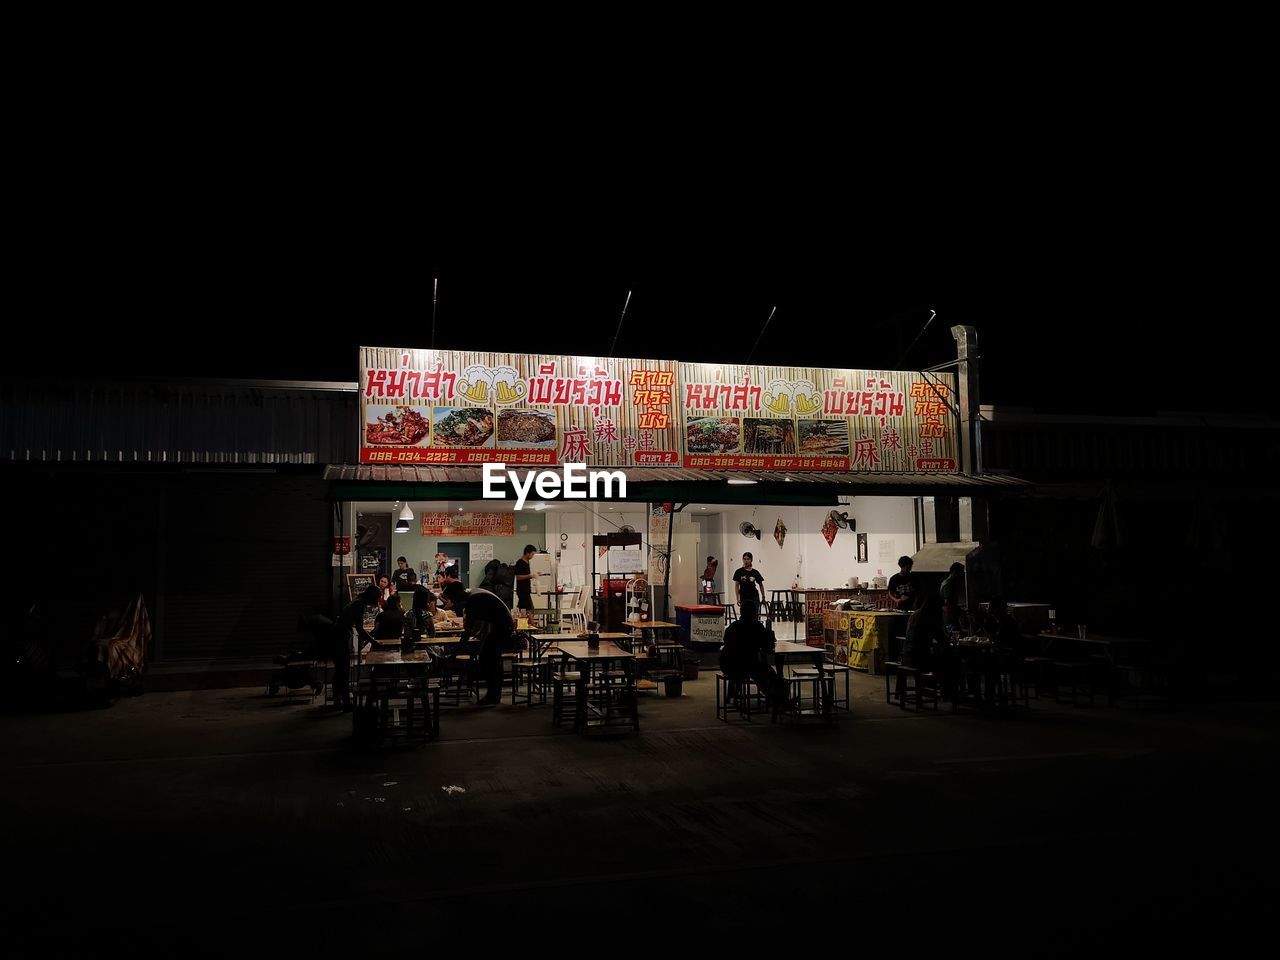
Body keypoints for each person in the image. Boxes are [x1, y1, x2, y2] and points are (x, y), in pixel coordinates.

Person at [443, 581, 513, 705]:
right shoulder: (472, 594)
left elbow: (468, 631)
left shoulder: (474, 600)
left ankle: (493, 695)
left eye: (453, 598)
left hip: (502, 626)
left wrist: (455, 653)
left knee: (489, 659)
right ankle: (493, 694)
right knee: (488, 659)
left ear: (458, 595)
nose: (453, 602)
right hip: (500, 625)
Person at [329, 585, 379, 709]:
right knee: (343, 670)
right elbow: (360, 628)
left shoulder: (357, 602)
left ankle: (339, 700)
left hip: (339, 637)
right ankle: (343, 701)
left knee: (341, 670)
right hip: (340, 638)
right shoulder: (359, 605)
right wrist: (372, 641)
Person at [732, 552, 764, 623]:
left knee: (754, 615)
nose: (746, 561)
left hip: (754, 596)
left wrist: (763, 596)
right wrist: (737, 598)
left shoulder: (755, 572)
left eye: (748, 559)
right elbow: (737, 585)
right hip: (744, 596)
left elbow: (761, 584)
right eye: (744, 559)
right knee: (744, 615)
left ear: (751, 560)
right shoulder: (739, 572)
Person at [940, 562, 967, 629]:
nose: (962, 573)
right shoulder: (948, 584)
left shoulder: (949, 582)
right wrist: (958, 611)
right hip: (949, 614)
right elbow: (947, 602)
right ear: (955, 571)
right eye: (960, 571)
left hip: (950, 613)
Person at [514, 544, 537, 615]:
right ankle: (529, 623)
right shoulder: (520, 563)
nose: (533, 556)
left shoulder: (527, 562)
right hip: (522, 590)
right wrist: (530, 575)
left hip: (526, 589)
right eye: (532, 554)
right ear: (527, 553)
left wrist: (532, 575)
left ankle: (527, 623)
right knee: (527, 608)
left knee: (526, 608)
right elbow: (518, 577)